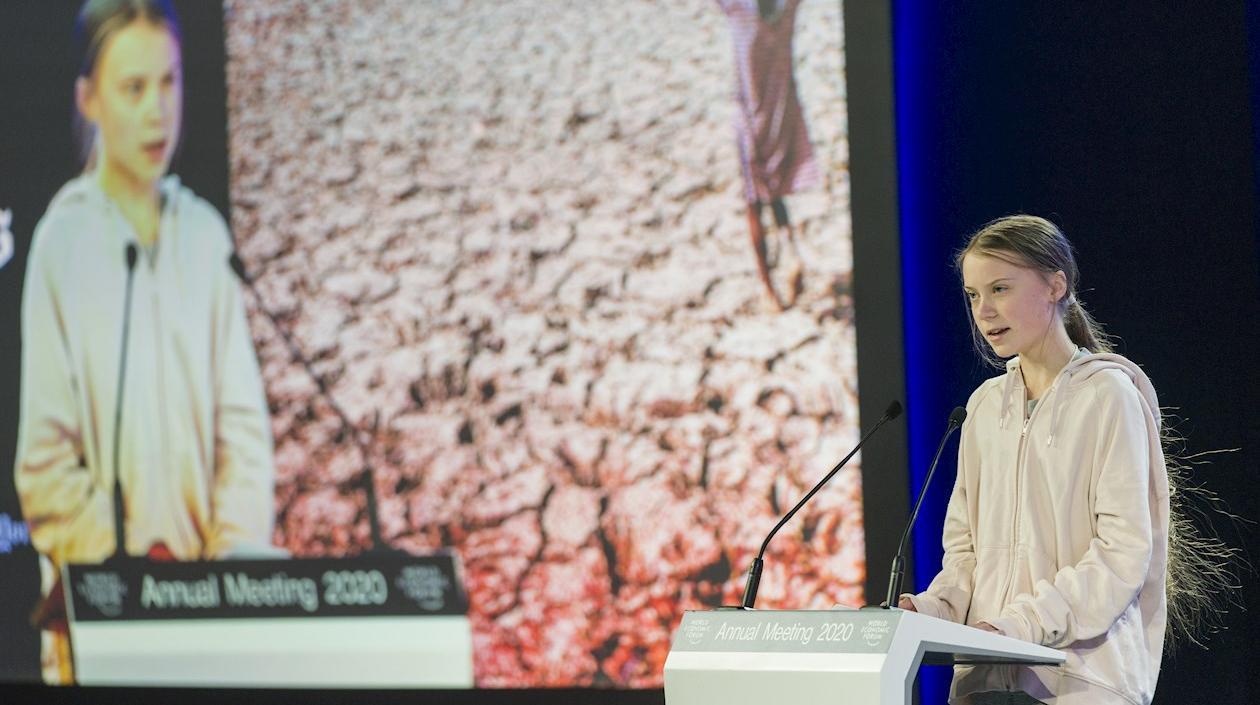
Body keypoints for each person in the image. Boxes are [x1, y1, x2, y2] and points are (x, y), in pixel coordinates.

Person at [14, 0, 275, 683]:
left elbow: (244, 433)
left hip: (216, 624)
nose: (159, 110)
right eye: (134, 88)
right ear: (89, 99)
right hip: (105, 628)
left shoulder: (206, 237)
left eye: (171, 81)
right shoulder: (61, 244)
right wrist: (133, 561)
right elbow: (43, 466)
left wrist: (230, 565)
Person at [899, 215, 1170, 704]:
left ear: (1055, 285)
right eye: (973, 295)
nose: (984, 310)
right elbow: (966, 554)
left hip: (1081, 682)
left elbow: (1122, 553)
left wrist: (1020, 625)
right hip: (986, 682)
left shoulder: (1108, 396)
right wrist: (930, 610)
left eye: (1000, 288)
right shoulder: (983, 407)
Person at [717, 0, 820, 310]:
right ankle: (791, 252)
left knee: (754, 204)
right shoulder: (784, 13)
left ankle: (767, 286)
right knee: (776, 196)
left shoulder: (739, 13)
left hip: (751, 122)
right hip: (780, 118)